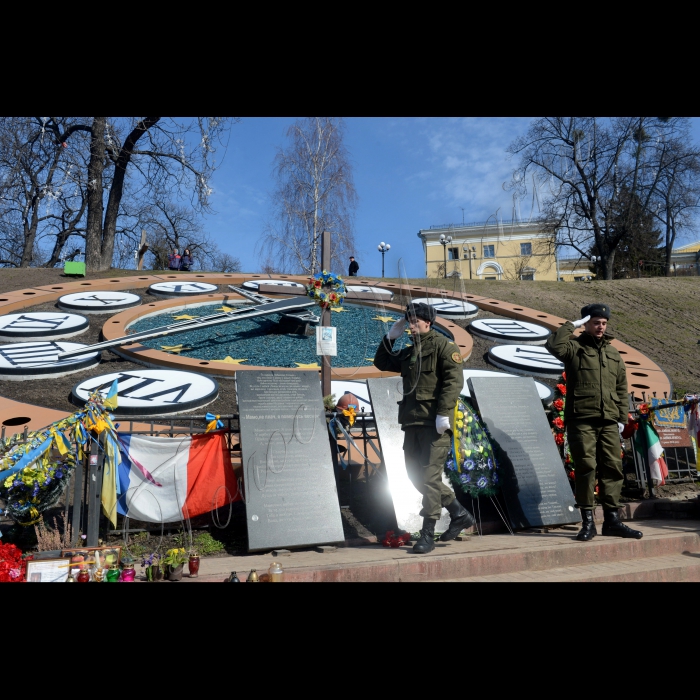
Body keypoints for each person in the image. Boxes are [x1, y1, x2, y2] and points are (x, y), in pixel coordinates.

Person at [373, 302, 475, 553]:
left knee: (429, 479)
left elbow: (453, 381)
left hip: (434, 423)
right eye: (408, 321)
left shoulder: (443, 347)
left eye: (415, 321)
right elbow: (382, 362)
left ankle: (427, 533)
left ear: (428, 322)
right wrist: (390, 337)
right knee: (415, 476)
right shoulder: (409, 352)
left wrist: (443, 414)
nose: (410, 325)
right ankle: (459, 513)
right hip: (412, 421)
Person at [546, 303, 643, 542]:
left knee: (613, 467)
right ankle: (587, 522)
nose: (601, 327)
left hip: (609, 420)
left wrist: (621, 419)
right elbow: (553, 345)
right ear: (586, 323)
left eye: (604, 323)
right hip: (582, 419)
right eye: (596, 322)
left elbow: (621, 388)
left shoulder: (612, 354)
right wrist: (572, 325)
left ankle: (612, 521)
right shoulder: (574, 347)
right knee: (586, 467)